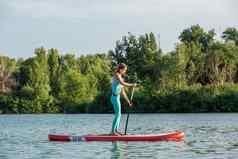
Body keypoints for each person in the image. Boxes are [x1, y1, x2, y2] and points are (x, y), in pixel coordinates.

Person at [111, 63, 136, 135]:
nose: (125, 71)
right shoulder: (117, 75)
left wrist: (129, 102)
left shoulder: (121, 77)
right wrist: (132, 85)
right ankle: (113, 132)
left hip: (117, 98)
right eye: (124, 70)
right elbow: (123, 83)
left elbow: (123, 93)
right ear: (120, 69)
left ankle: (116, 130)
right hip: (114, 97)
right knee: (117, 115)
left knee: (119, 114)